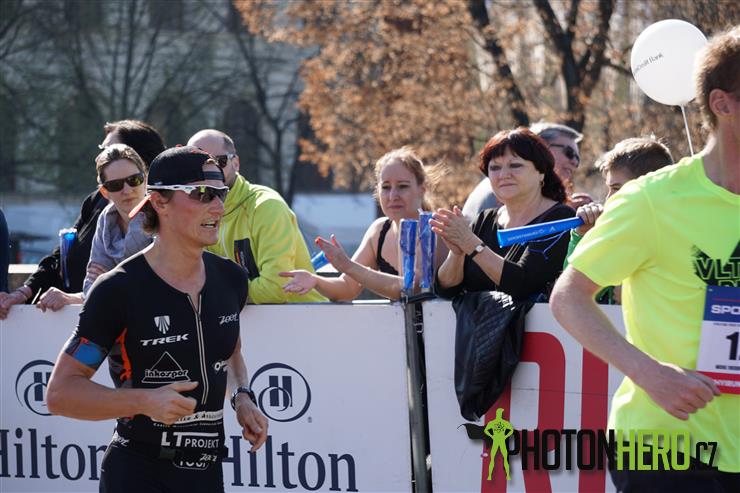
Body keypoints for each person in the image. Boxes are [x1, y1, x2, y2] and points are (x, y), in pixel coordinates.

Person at [550, 26, 739, 492]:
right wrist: (648, 373)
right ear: (722, 104)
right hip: (666, 447)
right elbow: (568, 297)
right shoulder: (651, 200)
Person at [46, 146, 268, 493]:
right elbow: (60, 393)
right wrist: (144, 401)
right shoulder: (118, 289)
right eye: (202, 194)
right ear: (160, 202)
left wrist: (242, 396)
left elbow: (230, 353)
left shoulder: (231, 279)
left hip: (205, 474)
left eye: (220, 194)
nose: (218, 207)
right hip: (139, 472)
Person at [0, 120, 165, 318]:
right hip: (88, 316)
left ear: (143, 170)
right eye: (114, 185)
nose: (126, 190)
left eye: (134, 180)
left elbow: (158, 279)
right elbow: (64, 259)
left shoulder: (163, 215)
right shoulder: (101, 212)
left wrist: (78, 296)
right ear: (105, 190)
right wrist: (25, 291)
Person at [280, 147, 448, 301]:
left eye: (403, 186)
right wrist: (315, 280)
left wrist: (349, 266)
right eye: (386, 187)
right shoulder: (379, 230)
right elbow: (347, 288)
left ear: (422, 189)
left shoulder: (436, 228)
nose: (393, 196)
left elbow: (413, 288)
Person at [433, 127, 575, 301]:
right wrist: (457, 254)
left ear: (541, 173)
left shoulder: (560, 218)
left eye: (515, 165)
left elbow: (523, 283)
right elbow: (446, 290)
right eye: (495, 168)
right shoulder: (485, 219)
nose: (503, 175)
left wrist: (470, 243)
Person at [187, 129, 326, 304]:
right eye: (198, 164)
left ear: (235, 163)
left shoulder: (266, 206)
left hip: (304, 316)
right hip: (243, 318)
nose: (210, 170)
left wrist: (221, 294)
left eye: (218, 161)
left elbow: (275, 289)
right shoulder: (190, 209)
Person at [564, 136, 674, 304]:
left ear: (648, 186)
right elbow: (572, 293)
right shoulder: (615, 231)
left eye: (616, 188)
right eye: (609, 188)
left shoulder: (678, 231)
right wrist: (583, 236)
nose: (609, 198)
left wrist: (636, 293)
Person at [462, 122, 592, 221]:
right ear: (543, 148)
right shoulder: (502, 189)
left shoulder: (559, 213)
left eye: (577, 157)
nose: (574, 162)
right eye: (569, 153)